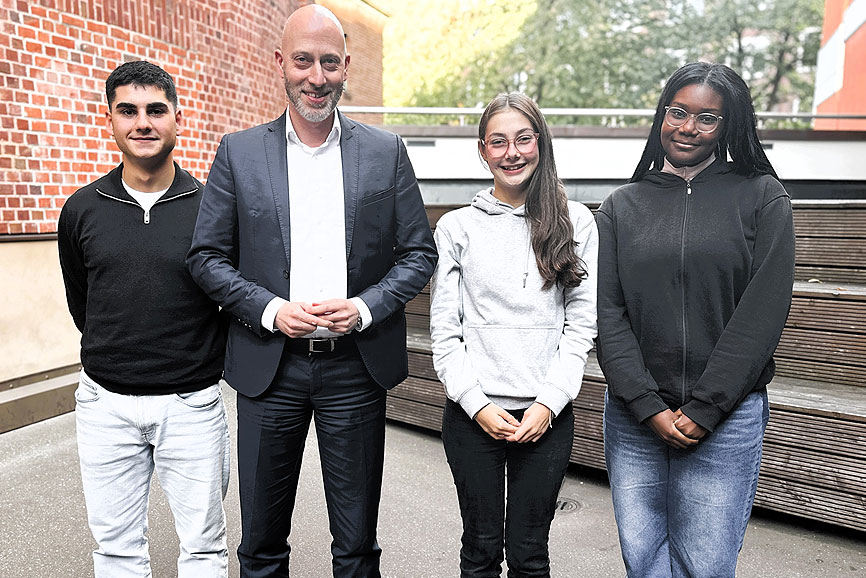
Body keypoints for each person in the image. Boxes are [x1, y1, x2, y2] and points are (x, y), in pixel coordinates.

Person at [186, 5, 437, 578]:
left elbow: (420, 253)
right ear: (281, 63)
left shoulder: (385, 152)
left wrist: (366, 308)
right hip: (269, 372)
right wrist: (271, 310)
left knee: (355, 548)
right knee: (261, 546)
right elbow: (205, 257)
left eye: (329, 62)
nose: (316, 77)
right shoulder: (238, 152)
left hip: (354, 370)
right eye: (303, 61)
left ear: (346, 66)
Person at [596, 62, 795, 578]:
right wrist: (645, 404)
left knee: (704, 567)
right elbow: (607, 314)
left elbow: (763, 312)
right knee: (644, 563)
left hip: (726, 418)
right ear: (661, 114)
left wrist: (707, 407)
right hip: (635, 417)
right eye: (678, 112)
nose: (688, 127)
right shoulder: (621, 207)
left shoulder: (762, 197)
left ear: (729, 126)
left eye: (707, 119)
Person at [57, 61, 230, 577]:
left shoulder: (213, 208)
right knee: (115, 551)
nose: (143, 123)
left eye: (156, 110)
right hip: (104, 405)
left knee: (203, 548)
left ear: (178, 117)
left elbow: (228, 294)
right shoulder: (81, 209)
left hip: (191, 405)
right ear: (109, 119)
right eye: (127, 111)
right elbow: (82, 302)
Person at [430, 92, 598, 577]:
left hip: (546, 417)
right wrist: (477, 404)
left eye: (524, 139)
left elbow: (579, 327)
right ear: (483, 151)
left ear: (541, 143)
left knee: (529, 555)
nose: (512, 152)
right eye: (498, 142)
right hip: (473, 415)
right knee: (479, 551)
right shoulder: (457, 227)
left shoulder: (576, 221)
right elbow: (446, 331)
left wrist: (548, 404)